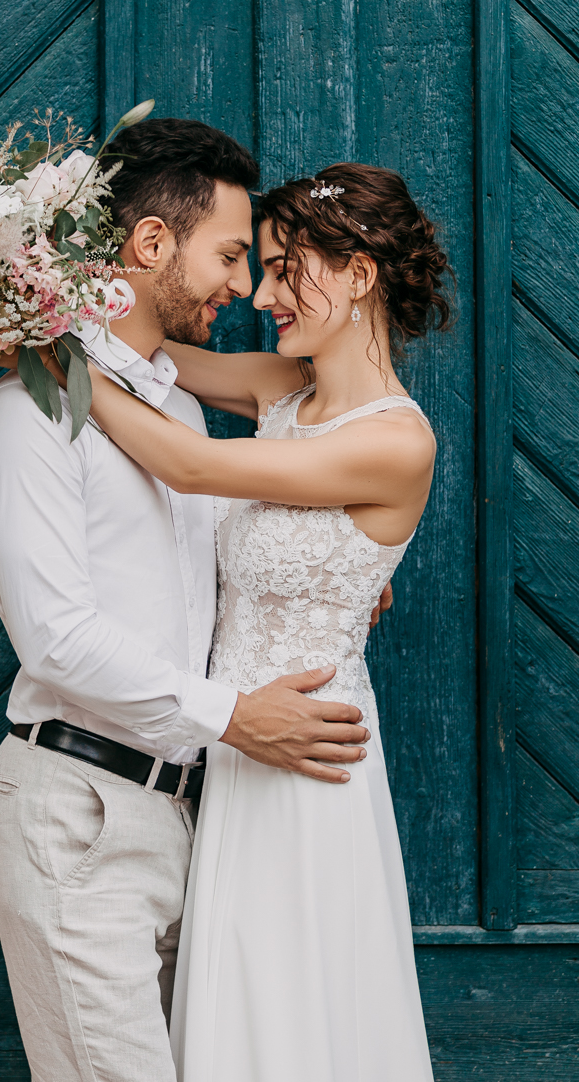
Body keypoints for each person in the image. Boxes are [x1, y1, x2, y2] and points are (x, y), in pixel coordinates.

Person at [0, 120, 375, 1082]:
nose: (243, 286)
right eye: (231, 255)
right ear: (151, 245)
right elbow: (58, 638)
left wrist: (340, 573)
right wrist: (237, 716)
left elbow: (203, 582)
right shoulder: (30, 415)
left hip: (197, 824)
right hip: (81, 818)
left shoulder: (180, 412)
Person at [63, 161, 453, 1082]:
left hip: (309, 768)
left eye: (287, 269)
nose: (264, 294)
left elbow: (191, 465)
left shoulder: (398, 441)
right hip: (237, 750)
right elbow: (159, 358)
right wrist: (54, 311)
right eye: (263, 267)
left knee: (297, 1004)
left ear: (360, 274)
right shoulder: (286, 387)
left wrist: (49, 362)